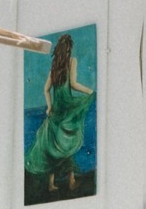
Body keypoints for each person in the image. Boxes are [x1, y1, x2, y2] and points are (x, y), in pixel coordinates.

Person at [25, 32, 96, 197]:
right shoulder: (72, 62)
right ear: (69, 48)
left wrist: (49, 107)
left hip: (56, 112)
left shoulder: (54, 68)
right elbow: (73, 84)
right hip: (66, 110)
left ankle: (52, 183)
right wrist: (90, 91)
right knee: (67, 147)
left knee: (52, 148)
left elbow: (46, 89)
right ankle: (70, 180)